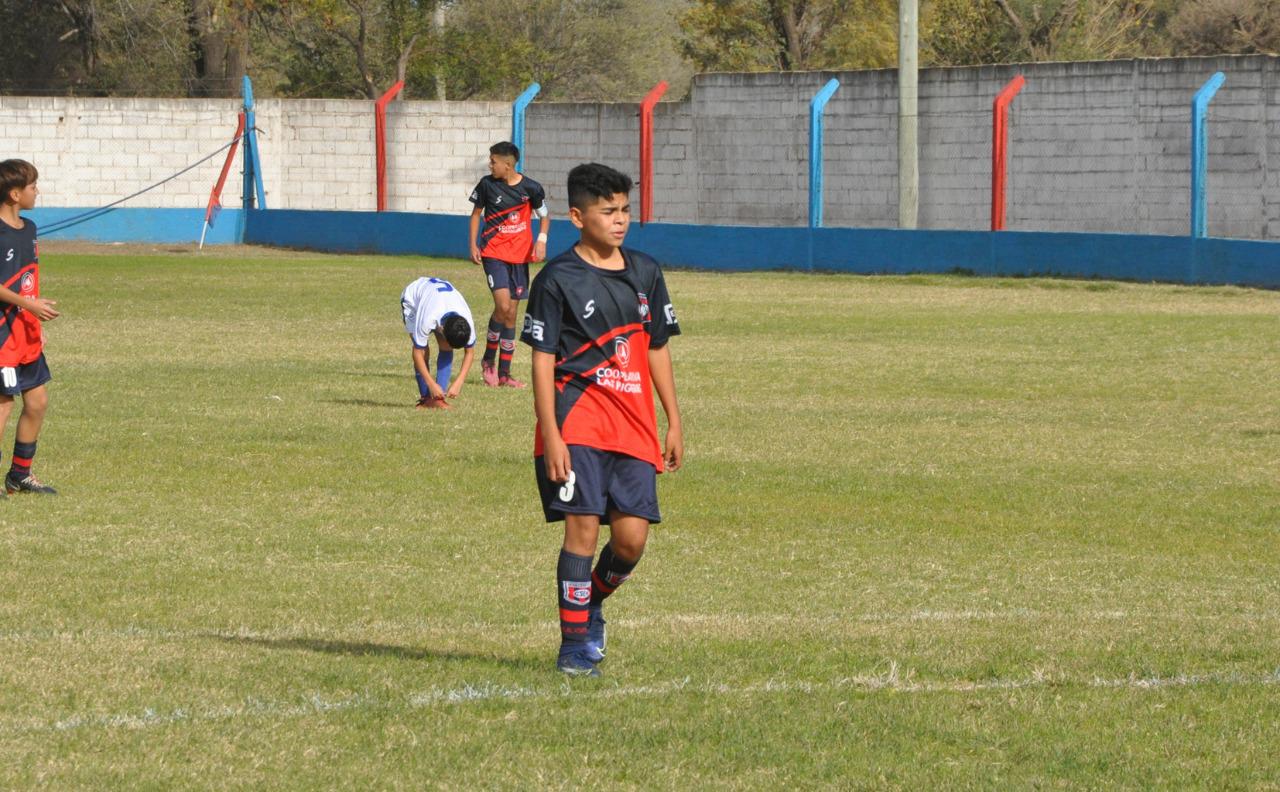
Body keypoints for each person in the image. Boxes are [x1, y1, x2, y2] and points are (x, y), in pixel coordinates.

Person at [520, 162, 683, 677]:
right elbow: (542, 360)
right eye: (608, 211)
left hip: (634, 426)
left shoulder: (646, 272)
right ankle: (573, 648)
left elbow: (656, 348)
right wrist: (552, 434)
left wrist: (673, 420)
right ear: (577, 217)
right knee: (583, 532)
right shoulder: (557, 278)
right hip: (578, 422)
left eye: (625, 210)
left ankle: (589, 604)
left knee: (632, 540)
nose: (620, 220)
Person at [0, 159, 59, 495]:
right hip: (2, 335)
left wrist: (33, 320)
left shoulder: (30, 229)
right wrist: (29, 305)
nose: (37, 191)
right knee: (3, 403)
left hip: (24, 329)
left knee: (37, 402)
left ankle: (20, 475)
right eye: (32, 186)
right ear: (14, 194)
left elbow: (27, 280)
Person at [468, 141, 548, 389]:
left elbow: (545, 216)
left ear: (508, 164)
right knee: (502, 306)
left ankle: (505, 374)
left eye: (493, 161)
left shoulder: (532, 188)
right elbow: (476, 214)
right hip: (493, 254)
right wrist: (473, 245)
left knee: (511, 314)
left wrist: (541, 241)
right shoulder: (487, 184)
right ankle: (488, 361)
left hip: (520, 257)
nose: (490, 165)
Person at [400, 276, 475, 410]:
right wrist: (431, 383)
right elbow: (417, 352)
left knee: (446, 347)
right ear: (442, 329)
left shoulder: (466, 321)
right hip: (413, 300)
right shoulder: (428, 318)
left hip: (438, 300)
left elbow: (470, 351)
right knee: (424, 351)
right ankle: (425, 400)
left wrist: (459, 381)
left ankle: (438, 400)